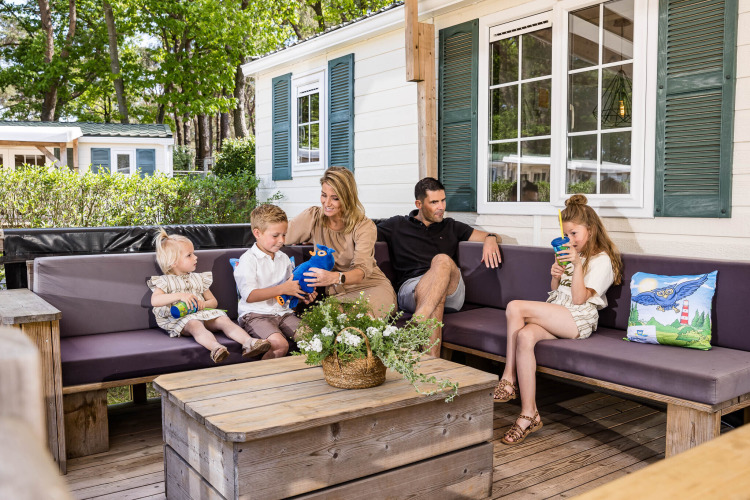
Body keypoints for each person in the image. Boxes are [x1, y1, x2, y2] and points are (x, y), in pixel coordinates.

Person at [494, 194, 623, 445]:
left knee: (514, 307)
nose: (570, 240)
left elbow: (578, 300)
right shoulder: (570, 253)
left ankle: (508, 378)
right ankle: (528, 414)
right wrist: (556, 274)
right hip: (559, 311)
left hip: (578, 319)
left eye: (575, 234)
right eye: (567, 234)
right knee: (525, 335)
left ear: (591, 229)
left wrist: (575, 266)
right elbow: (556, 291)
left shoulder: (602, 260)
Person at [377, 177, 502, 357]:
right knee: (436, 298)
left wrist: (490, 238)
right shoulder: (396, 225)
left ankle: (418, 321)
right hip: (412, 290)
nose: (441, 207)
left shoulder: (452, 226)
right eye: (434, 202)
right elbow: (363, 233)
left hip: (452, 291)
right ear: (419, 203)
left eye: (443, 200)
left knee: (442, 260)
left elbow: (494, 236)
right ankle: (432, 363)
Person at [286, 166, 397, 317]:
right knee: (312, 330)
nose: (327, 203)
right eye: (324, 195)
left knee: (355, 322)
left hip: (370, 287)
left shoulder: (364, 226)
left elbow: (361, 271)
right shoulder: (313, 217)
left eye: (335, 198)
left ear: (347, 198)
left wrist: (333, 277)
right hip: (337, 294)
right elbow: (278, 236)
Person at [148, 229, 271, 364]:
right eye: (189, 255)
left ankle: (249, 343)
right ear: (173, 262)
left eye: (193, 253)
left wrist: (204, 304)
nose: (195, 257)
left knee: (224, 320)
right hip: (182, 319)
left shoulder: (199, 278)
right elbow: (155, 300)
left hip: (203, 314)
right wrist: (180, 296)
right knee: (195, 325)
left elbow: (213, 302)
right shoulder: (165, 281)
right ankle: (216, 348)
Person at [234, 204, 315, 359]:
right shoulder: (248, 260)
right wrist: (283, 289)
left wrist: (303, 294)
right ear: (257, 233)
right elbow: (249, 295)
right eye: (275, 235)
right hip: (256, 315)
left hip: (283, 313)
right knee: (279, 345)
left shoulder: (283, 258)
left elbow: (290, 289)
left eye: (284, 235)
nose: (281, 241)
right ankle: (265, 381)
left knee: (311, 338)